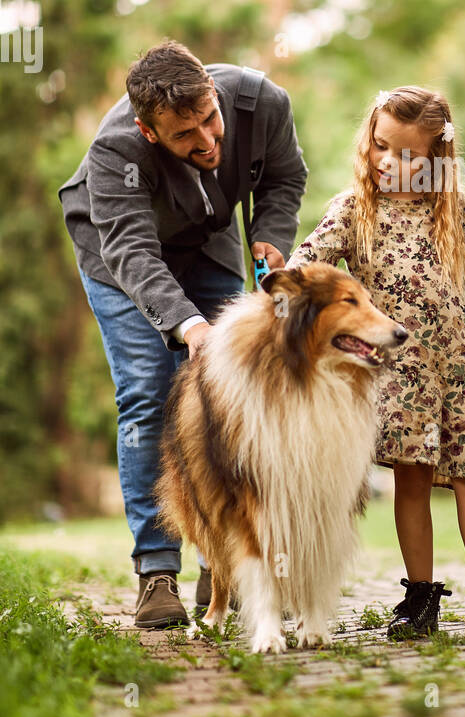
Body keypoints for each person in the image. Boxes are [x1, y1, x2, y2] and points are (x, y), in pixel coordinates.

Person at [58, 40, 308, 628]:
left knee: (231, 401)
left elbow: (284, 177)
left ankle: (220, 564)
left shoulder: (262, 102)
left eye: (210, 119)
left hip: (208, 240)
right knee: (149, 394)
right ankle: (156, 570)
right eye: (184, 135)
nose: (206, 141)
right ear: (150, 133)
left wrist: (271, 236)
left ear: (215, 94)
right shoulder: (116, 147)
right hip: (120, 258)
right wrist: (188, 325)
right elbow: (133, 251)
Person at [285, 85, 465, 639]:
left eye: (406, 155)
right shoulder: (353, 210)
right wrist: (282, 281)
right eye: (380, 146)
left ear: (435, 160)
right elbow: (310, 263)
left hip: (458, 369)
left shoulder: (450, 210)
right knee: (413, 478)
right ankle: (420, 598)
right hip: (399, 371)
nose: (387, 161)